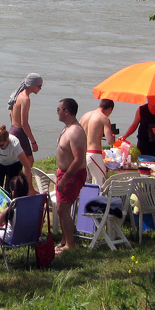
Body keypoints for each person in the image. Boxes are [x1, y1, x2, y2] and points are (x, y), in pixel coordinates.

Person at [55, 98, 87, 254]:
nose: (57, 112)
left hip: (72, 175)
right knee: (60, 208)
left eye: (58, 109)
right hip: (64, 173)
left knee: (62, 208)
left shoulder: (75, 131)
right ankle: (64, 239)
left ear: (66, 111)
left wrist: (66, 177)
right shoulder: (68, 127)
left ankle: (70, 245)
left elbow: (79, 159)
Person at [79, 99, 116, 184]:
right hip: (94, 154)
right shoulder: (104, 118)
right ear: (110, 109)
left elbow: (77, 132)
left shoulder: (85, 115)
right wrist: (113, 136)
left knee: (85, 183)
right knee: (101, 183)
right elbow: (110, 141)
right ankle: (99, 197)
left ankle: (86, 197)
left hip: (82, 153)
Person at [7, 72, 43, 157]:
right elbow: (24, 123)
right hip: (19, 133)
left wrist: (14, 127)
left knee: (18, 160)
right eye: (39, 86)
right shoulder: (25, 99)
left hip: (12, 130)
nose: (40, 89)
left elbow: (10, 114)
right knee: (28, 161)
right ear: (32, 85)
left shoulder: (18, 94)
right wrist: (33, 142)